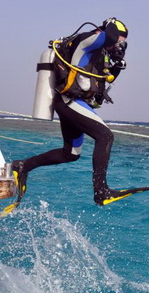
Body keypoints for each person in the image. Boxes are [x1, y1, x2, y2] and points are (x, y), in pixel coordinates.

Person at [12, 18, 129, 206]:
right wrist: (114, 26)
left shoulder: (98, 55)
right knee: (105, 137)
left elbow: (107, 77)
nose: (118, 44)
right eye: (119, 40)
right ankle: (101, 191)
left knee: (71, 154)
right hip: (70, 102)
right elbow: (110, 35)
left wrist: (118, 65)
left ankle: (23, 166)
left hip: (76, 104)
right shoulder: (87, 40)